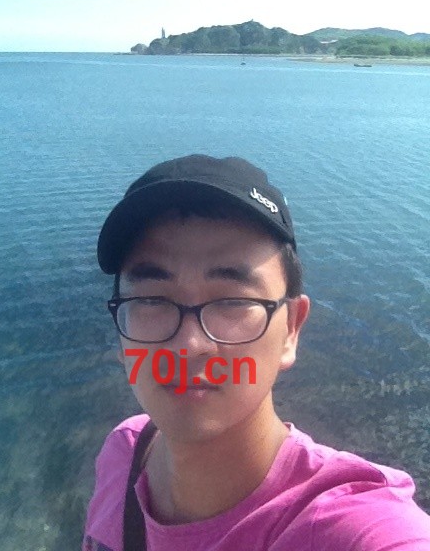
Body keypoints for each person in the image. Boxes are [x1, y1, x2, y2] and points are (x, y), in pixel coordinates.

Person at [83, 154, 430, 551]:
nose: (189, 346)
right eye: (150, 299)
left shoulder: (350, 528)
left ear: (291, 329)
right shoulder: (124, 452)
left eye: (232, 301)